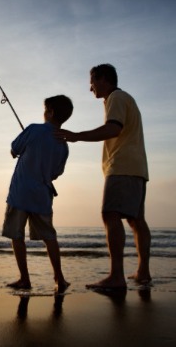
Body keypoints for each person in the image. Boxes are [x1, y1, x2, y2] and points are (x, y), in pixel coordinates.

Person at [55, 64, 152, 290]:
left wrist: (76, 136)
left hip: (122, 166)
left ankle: (116, 276)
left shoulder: (116, 97)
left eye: (92, 82)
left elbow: (113, 129)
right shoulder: (125, 98)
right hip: (137, 168)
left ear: (103, 79)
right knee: (136, 220)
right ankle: (143, 272)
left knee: (110, 214)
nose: (90, 88)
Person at [2, 95, 73, 293]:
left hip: (20, 193)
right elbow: (56, 173)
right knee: (49, 236)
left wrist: (19, 152)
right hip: (42, 195)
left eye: (45, 109)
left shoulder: (33, 129)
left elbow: (13, 149)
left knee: (17, 235)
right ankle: (59, 278)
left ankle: (25, 279)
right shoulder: (63, 144)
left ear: (50, 112)